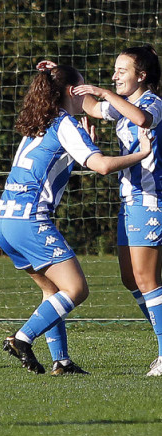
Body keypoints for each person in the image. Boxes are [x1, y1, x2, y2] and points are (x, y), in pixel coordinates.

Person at [0, 63, 153, 375]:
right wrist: (141, 153)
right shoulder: (65, 123)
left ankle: (62, 362)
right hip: (30, 221)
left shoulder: (39, 123)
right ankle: (22, 338)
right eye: (82, 88)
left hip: (5, 221)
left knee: (52, 291)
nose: (87, 95)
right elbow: (103, 166)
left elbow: (49, 162)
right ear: (71, 92)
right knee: (77, 289)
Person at [70, 46, 162, 376]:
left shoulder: (152, 102)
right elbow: (92, 107)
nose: (114, 76)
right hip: (130, 201)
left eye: (121, 71)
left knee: (147, 279)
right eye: (113, 70)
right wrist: (62, 76)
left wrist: (105, 91)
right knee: (130, 279)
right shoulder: (122, 106)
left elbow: (142, 119)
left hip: (150, 200)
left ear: (142, 76)